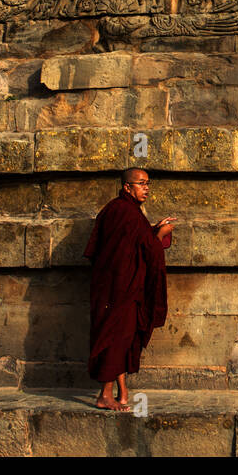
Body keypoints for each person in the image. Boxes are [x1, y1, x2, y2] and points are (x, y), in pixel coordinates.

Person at [83, 167, 177, 411]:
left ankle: (123, 392)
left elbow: (135, 244)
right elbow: (143, 250)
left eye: (148, 184)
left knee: (126, 337)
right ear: (127, 187)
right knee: (114, 337)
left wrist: (154, 229)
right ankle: (105, 395)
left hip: (122, 287)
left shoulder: (126, 211)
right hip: (117, 289)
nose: (146, 188)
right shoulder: (123, 212)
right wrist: (160, 236)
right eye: (141, 184)